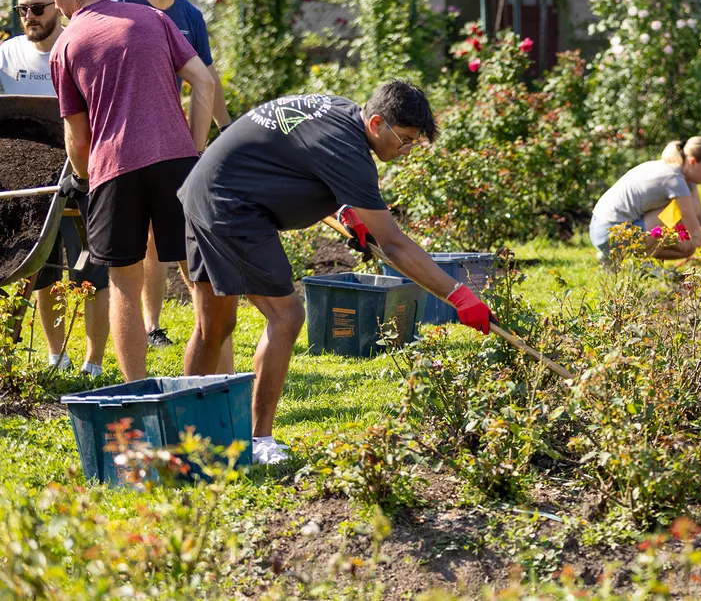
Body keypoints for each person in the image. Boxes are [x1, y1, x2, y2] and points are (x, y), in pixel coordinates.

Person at [177, 83, 496, 464]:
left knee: (214, 327)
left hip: (205, 189)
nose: (408, 151)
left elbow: (296, 159)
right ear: (377, 123)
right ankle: (258, 439)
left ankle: (184, 438)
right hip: (231, 206)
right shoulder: (350, 151)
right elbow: (393, 245)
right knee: (287, 316)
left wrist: (347, 211)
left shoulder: (343, 114)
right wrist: (457, 295)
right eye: (406, 140)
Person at [42, 0, 216, 382]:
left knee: (123, 285)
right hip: (177, 162)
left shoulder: (67, 45)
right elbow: (203, 82)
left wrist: (83, 177)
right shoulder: (156, 19)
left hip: (113, 170)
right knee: (201, 279)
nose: (54, 5)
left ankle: (138, 390)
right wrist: (193, 150)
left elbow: (77, 138)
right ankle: (210, 386)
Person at [114, 0, 232, 350]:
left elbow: (207, 80)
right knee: (145, 238)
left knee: (184, 237)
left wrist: (226, 130)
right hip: (126, 141)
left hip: (174, 138)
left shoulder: (191, 17)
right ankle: (152, 326)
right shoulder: (122, 9)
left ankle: (207, 324)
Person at [0, 0, 109, 375]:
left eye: (38, 8)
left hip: (83, 170)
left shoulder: (77, 47)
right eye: (22, 9)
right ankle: (55, 355)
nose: (30, 16)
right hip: (32, 183)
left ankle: (93, 363)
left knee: (92, 272)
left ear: (57, 4)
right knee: (41, 270)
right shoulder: (7, 55)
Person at [589, 137, 701, 261]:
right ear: (692, 161)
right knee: (675, 212)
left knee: (688, 247)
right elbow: (696, 231)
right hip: (608, 233)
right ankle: (624, 256)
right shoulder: (674, 180)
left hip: (600, 228)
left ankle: (620, 256)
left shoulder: (679, 174)